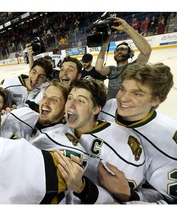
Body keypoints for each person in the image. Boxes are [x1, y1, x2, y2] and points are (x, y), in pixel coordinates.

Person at [52, 79, 145, 204]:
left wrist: (126, 195)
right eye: (70, 98)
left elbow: (127, 199)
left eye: (80, 100)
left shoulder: (121, 147)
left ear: (96, 109)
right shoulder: (61, 127)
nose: (71, 104)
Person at [98, 63, 177, 204]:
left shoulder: (170, 142)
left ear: (155, 100)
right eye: (122, 89)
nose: (123, 98)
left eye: (136, 93)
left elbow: (168, 200)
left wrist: (130, 195)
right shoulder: (109, 106)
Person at [95, 17, 152, 100]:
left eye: (123, 49)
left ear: (130, 53)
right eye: (117, 50)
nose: (119, 51)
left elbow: (146, 51)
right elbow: (99, 68)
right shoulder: (111, 69)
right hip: (110, 106)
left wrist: (128, 29)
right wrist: (104, 45)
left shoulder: (135, 67)